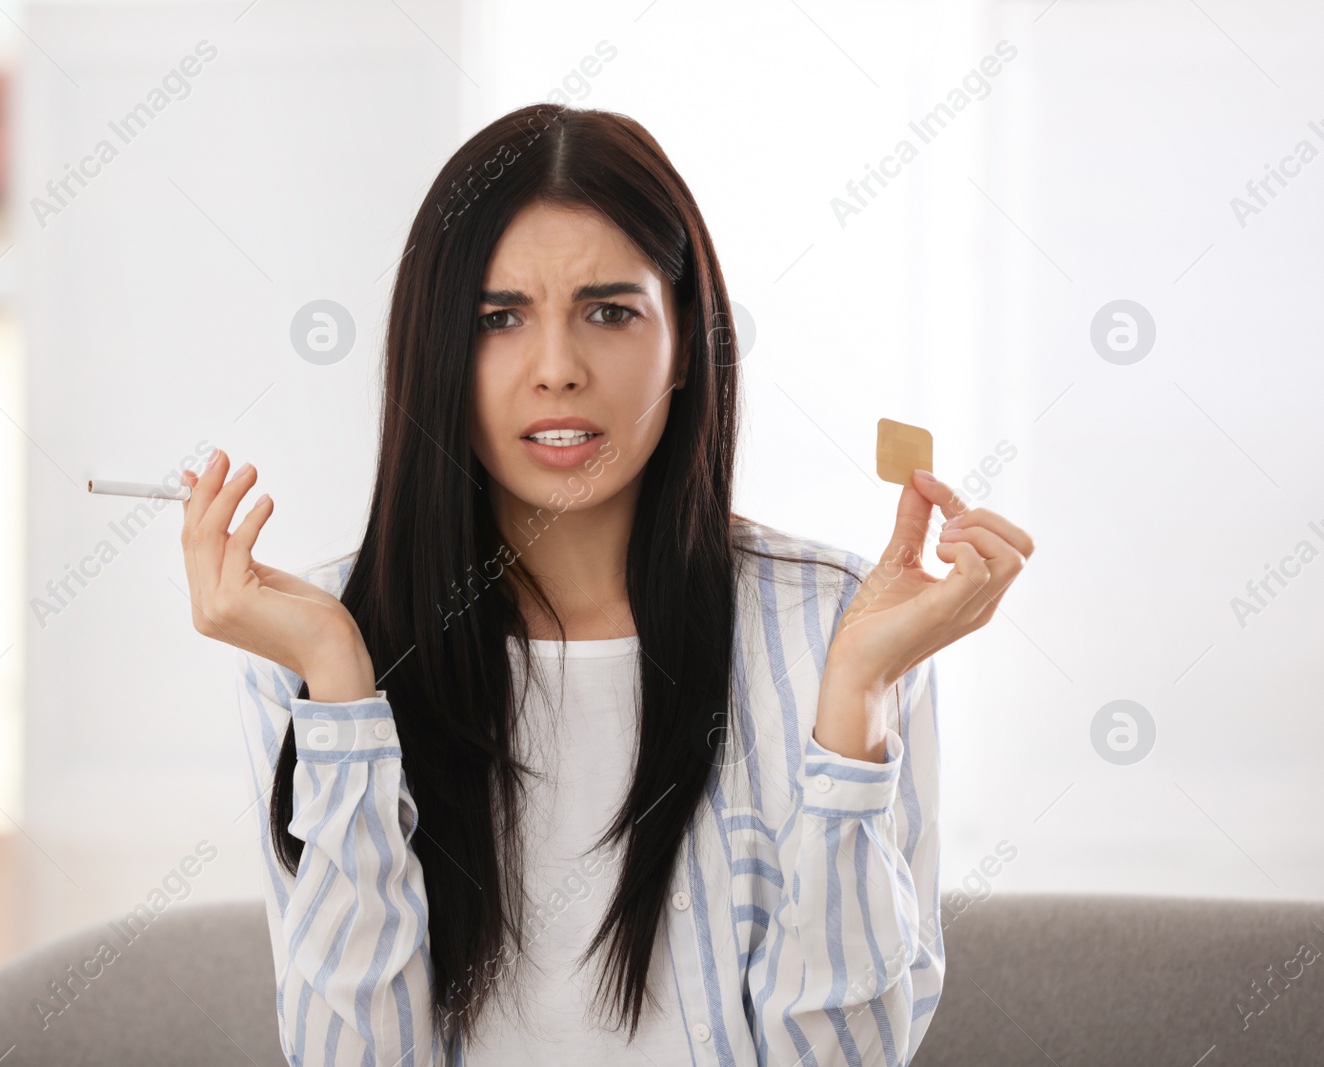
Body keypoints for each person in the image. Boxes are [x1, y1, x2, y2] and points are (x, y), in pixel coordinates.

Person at [178, 104, 1033, 1066]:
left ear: (685, 345)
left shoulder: (838, 622)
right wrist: (339, 684)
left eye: (610, 311)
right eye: (499, 319)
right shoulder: (314, 640)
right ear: (435, 353)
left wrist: (859, 701)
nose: (557, 371)